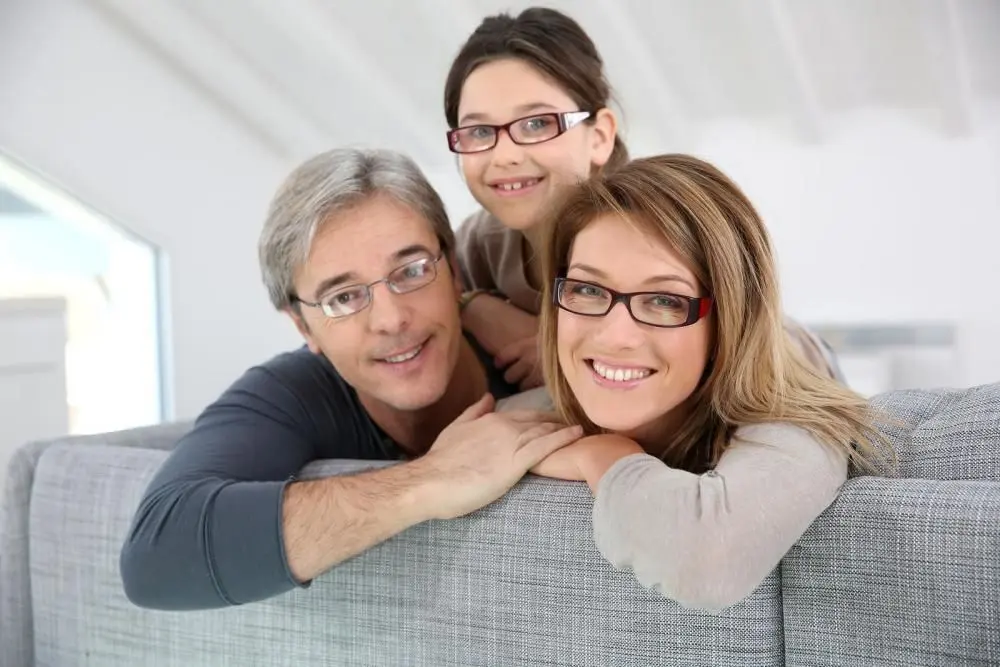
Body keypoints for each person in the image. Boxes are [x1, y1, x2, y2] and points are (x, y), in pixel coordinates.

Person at [119, 148, 582, 611]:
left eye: (413, 271)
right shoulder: (292, 391)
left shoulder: (536, 340)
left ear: (454, 272)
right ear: (303, 328)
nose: (391, 318)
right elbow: (156, 556)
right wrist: (430, 479)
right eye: (342, 298)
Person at [528, 154, 892, 612]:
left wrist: (609, 456)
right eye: (587, 289)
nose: (614, 336)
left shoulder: (798, 422)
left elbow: (706, 561)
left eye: (665, 299)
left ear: (727, 321)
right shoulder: (526, 411)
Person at [443, 7, 841, 390]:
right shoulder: (484, 240)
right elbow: (426, 293)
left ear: (599, 137)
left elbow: (773, 347)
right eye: (478, 132)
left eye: (536, 124)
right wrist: (475, 306)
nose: (505, 154)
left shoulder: (656, 221)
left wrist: (566, 348)